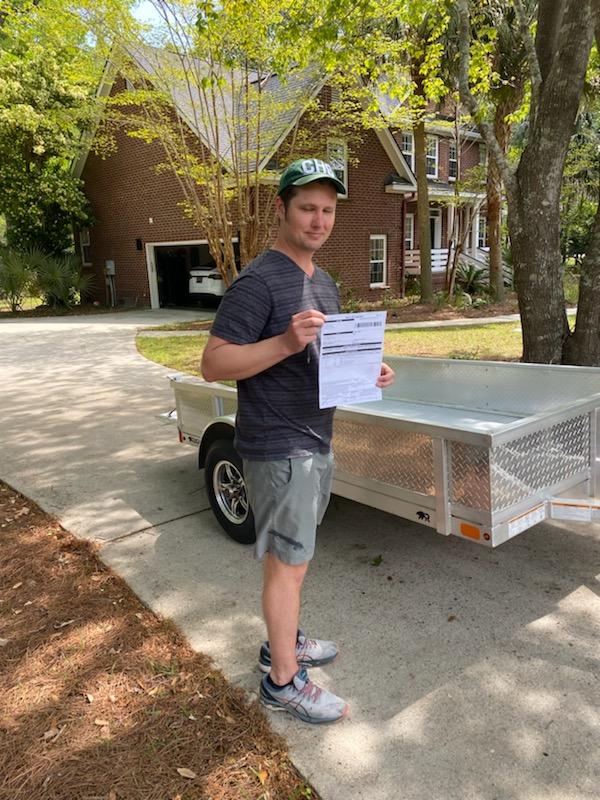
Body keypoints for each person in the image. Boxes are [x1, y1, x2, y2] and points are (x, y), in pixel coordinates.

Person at [201, 158, 395, 724]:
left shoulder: (321, 280)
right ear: (282, 209)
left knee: (294, 559)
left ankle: (282, 644)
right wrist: (284, 342)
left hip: (314, 437)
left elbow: (325, 357)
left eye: (328, 210)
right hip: (279, 445)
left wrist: (370, 369)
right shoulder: (259, 281)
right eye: (307, 208)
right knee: (288, 565)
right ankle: (282, 682)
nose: (318, 220)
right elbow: (214, 363)